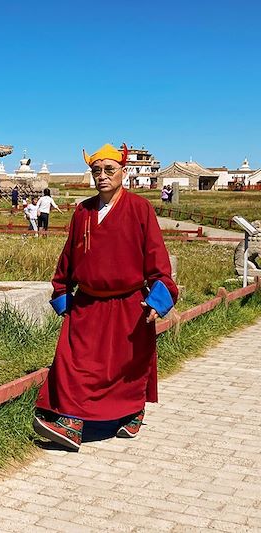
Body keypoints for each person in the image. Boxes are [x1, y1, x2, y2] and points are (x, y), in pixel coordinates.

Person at [33, 143, 178, 451]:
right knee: (75, 360)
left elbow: (157, 261)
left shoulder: (140, 209)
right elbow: (68, 259)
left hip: (130, 303)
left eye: (109, 170)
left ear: (122, 173)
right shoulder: (82, 211)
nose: (102, 176)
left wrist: (158, 300)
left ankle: (132, 411)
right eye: (96, 170)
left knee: (126, 365)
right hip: (87, 301)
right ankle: (71, 421)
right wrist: (62, 293)